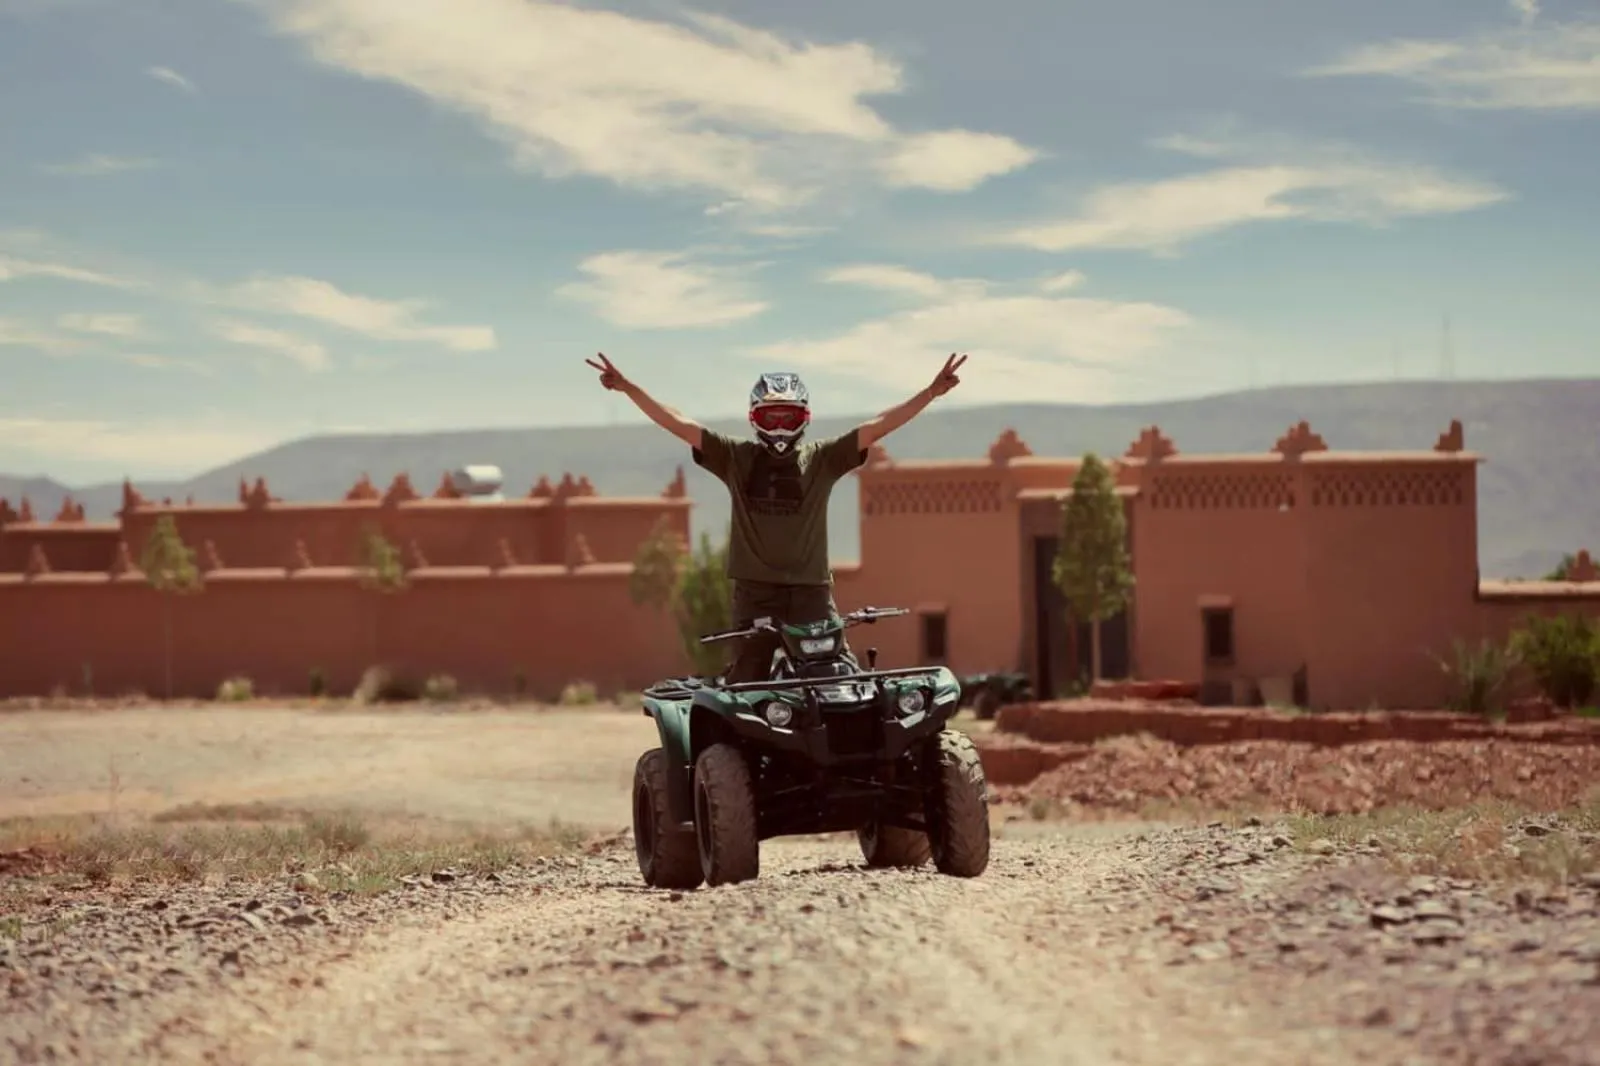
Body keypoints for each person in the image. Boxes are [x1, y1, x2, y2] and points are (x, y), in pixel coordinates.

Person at [585, 352, 967, 683]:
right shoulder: (735, 457)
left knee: (837, 676)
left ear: (806, 417)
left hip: (810, 591)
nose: (780, 427)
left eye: (789, 417)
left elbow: (878, 425)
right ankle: (733, 763)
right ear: (754, 418)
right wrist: (628, 388)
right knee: (747, 683)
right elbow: (678, 423)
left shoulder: (823, 457)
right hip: (755, 592)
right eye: (771, 418)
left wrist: (931, 392)